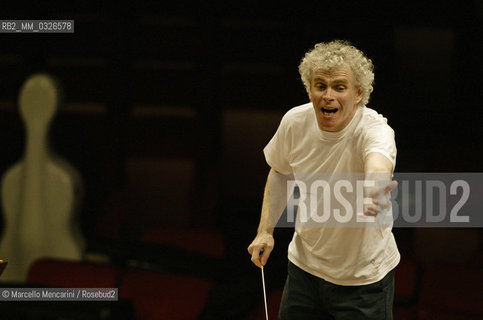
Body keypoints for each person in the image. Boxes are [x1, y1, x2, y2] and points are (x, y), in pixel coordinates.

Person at [247, 40, 399, 319]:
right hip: (304, 271)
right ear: (310, 89)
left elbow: (377, 162)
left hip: (362, 282)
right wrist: (265, 230)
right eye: (320, 86)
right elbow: (280, 172)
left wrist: (374, 187)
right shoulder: (294, 122)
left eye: (339, 87)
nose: (328, 96)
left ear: (358, 94)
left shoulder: (375, 130)